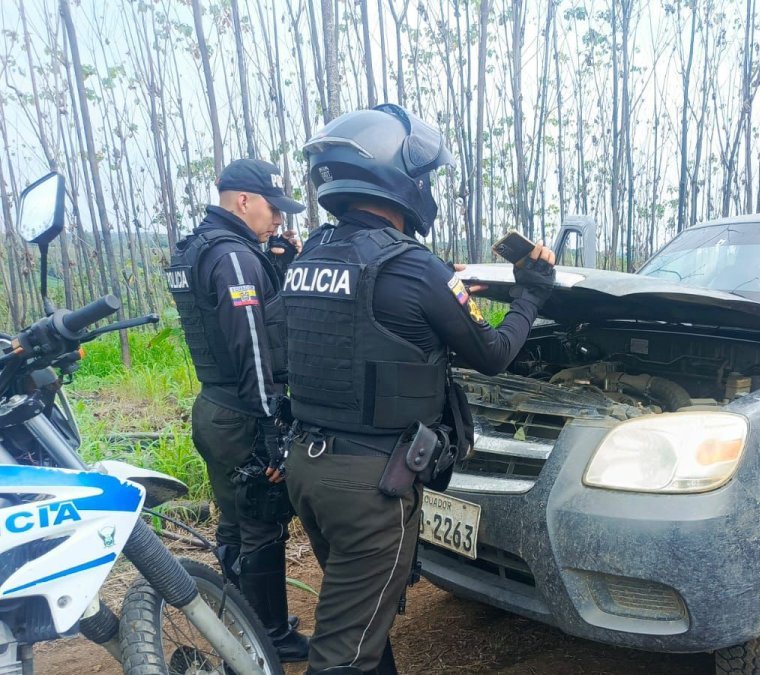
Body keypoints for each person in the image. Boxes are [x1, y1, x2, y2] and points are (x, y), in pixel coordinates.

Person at [281, 105, 556, 675]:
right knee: (343, 655)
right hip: (372, 487)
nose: (427, 187)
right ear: (398, 177)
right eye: (424, 176)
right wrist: (531, 293)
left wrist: (441, 285)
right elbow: (494, 354)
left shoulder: (310, 256)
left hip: (308, 466)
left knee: (364, 615)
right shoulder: (414, 267)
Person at [164, 158, 310, 662]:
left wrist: (274, 261)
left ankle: (240, 627)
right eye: (273, 208)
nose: (278, 220)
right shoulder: (233, 258)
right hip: (243, 413)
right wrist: (271, 426)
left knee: (233, 523)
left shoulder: (198, 247)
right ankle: (269, 638)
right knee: (262, 522)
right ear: (243, 200)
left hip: (215, 405)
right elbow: (252, 345)